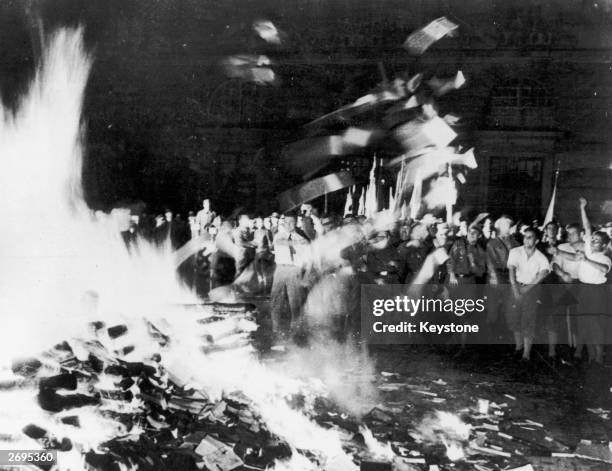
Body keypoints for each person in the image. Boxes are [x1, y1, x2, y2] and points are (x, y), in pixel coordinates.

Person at [573, 198, 611, 365]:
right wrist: (583, 208)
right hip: (583, 289)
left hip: (597, 293)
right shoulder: (588, 250)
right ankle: (584, 355)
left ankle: (599, 358)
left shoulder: (605, 258)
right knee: (583, 322)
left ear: (603, 246)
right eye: (593, 239)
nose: (592, 241)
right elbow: (587, 227)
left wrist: (586, 260)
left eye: (597, 241)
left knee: (596, 324)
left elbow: (603, 269)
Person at [507, 226, 550, 361]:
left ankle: (526, 354)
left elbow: (542, 274)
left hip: (532, 290)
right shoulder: (515, 252)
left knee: (528, 320)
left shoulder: (541, 257)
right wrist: (516, 291)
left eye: (530, 237)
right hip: (515, 286)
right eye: (525, 237)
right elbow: (511, 272)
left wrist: (526, 289)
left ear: (536, 240)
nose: (527, 240)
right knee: (514, 317)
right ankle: (518, 348)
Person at [270, 214, 310, 335]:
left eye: (291, 222)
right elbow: (281, 243)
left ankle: (296, 329)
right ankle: (275, 328)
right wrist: (298, 242)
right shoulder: (279, 236)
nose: (288, 225)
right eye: (285, 222)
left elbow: (307, 258)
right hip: (281, 269)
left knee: (295, 301)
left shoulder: (302, 238)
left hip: (295, 270)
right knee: (276, 299)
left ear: (296, 223)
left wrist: (305, 275)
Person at [485, 216, 520, 341]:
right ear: (499, 227)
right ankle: (491, 338)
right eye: (505, 225)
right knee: (493, 310)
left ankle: (506, 337)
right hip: (496, 279)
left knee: (509, 308)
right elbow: (491, 264)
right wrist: (496, 280)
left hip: (510, 279)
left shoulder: (515, 242)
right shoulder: (492, 243)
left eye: (509, 225)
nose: (508, 227)